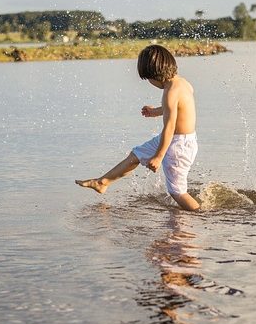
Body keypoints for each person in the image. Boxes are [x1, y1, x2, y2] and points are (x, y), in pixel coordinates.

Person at [75, 45, 200, 211]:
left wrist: (158, 156)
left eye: (148, 79)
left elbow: (169, 127)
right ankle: (102, 183)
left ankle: (199, 215)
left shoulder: (170, 92)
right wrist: (155, 111)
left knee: (177, 191)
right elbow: (177, 109)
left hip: (178, 145)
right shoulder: (182, 83)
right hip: (180, 140)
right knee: (136, 155)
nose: (150, 83)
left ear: (155, 75)